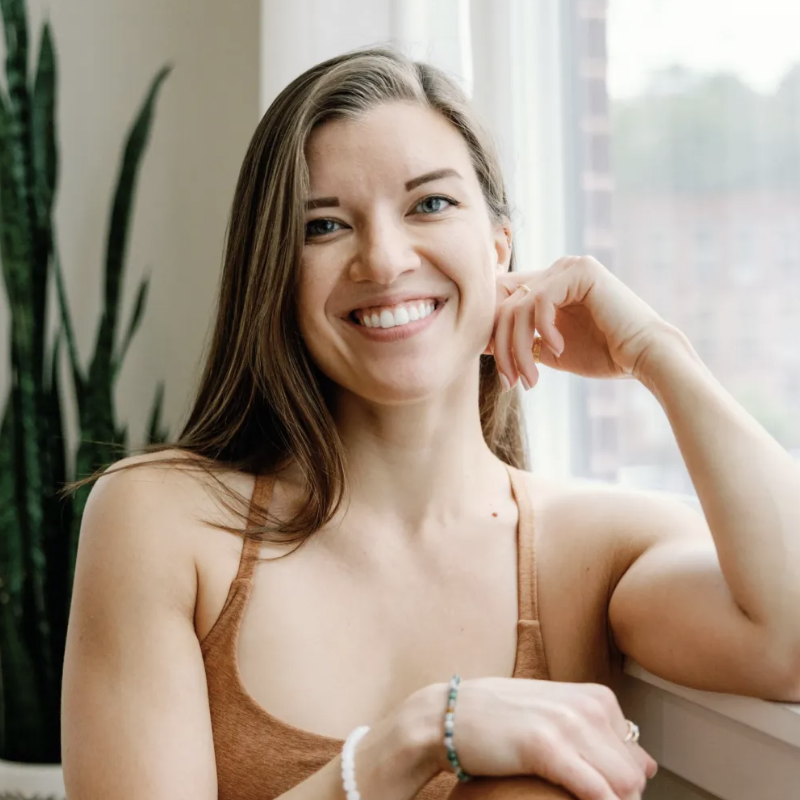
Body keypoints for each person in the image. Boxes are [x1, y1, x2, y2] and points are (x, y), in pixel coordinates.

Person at [60, 46, 800, 800]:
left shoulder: (586, 546)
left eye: (430, 204)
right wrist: (413, 740)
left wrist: (657, 353)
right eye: (323, 226)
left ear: (498, 249)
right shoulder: (162, 520)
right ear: (277, 273)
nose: (382, 260)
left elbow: (790, 640)